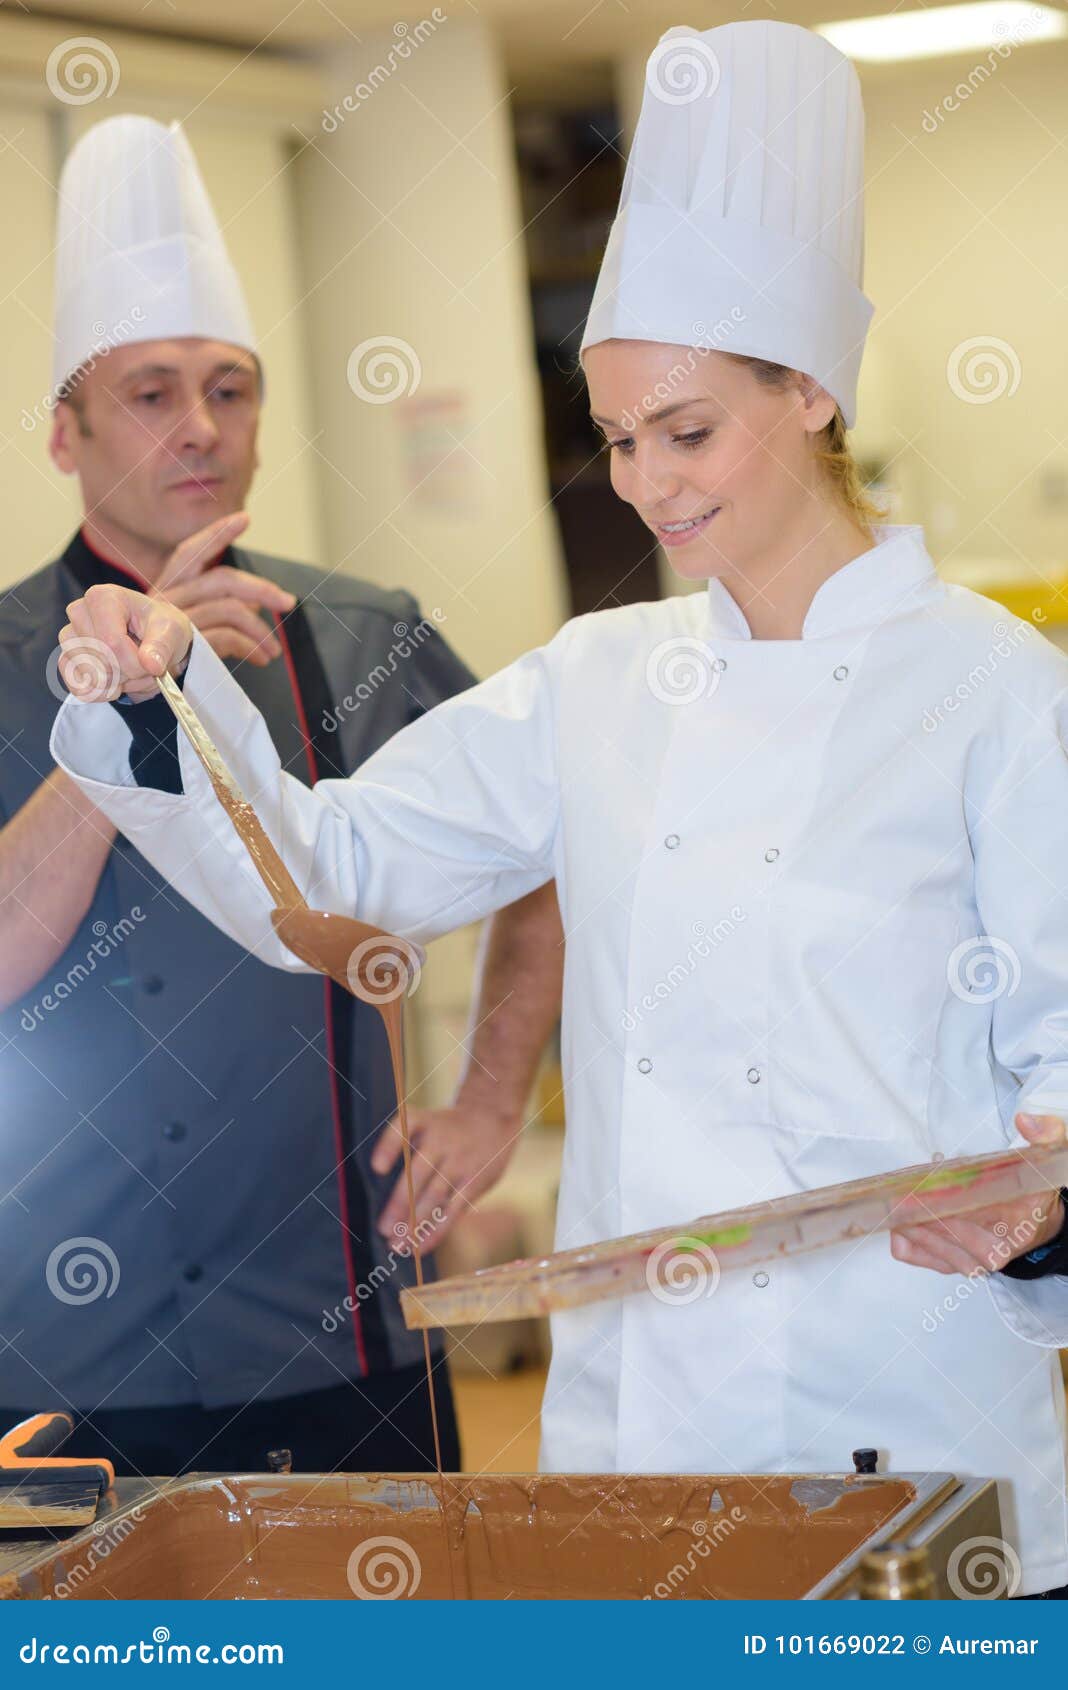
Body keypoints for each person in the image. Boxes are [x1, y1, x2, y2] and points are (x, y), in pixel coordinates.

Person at [49, 22, 1068, 1595]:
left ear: (808, 389)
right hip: (642, 1444)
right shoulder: (599, 680)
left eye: (688, 431)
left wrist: (1046, 1209)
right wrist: (156, 693)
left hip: (913, 1436)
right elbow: (334, 861)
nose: (648, 483)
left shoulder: (998, 691)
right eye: (615, 439)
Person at [0, 114, 563, 1479]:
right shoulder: (12, 660)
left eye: (231, 387)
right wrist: (129, 697)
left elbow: (551, 853)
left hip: (343, 1320)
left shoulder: (374, 634)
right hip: (67, 1342)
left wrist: (493, 1095)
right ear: (65, 434)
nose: (201, 426)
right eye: (149, 392)